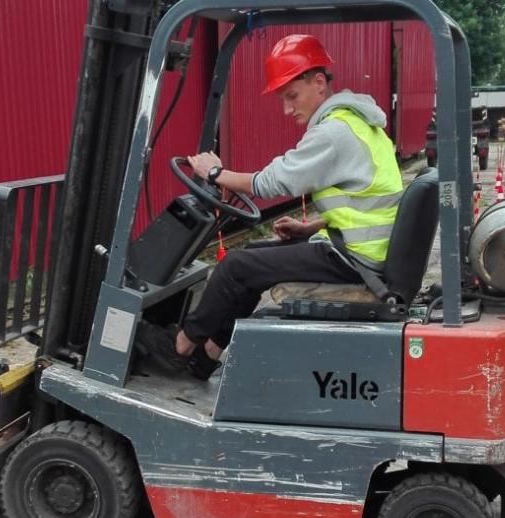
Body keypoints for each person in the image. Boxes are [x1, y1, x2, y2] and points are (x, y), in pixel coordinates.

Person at [137, 34, 403, 380]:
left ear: (318, 82)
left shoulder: (334, 132)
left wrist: (215, 172)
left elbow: (271, 183)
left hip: (356, 260)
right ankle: (207, 355)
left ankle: (180, 346)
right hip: (362, 249)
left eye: (291, 96)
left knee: (234, 265)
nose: (288, 109)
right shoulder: (361, 125)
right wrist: (312, 227)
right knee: (256, 258)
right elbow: (368, 199)